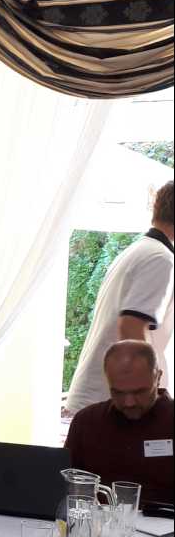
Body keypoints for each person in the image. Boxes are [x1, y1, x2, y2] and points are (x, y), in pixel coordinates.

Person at [66, 180, 174, 414]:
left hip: (107, 400)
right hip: (120, 404)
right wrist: (152, 398)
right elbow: (130, 329)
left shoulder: (140, 250)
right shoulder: (160, 259)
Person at [65, 340, 174, 503]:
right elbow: (66, 486)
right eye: (118, 392)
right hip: (100, 518)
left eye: (139, 392)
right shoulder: (87, 422)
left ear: (158, 377)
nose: (129, 402)